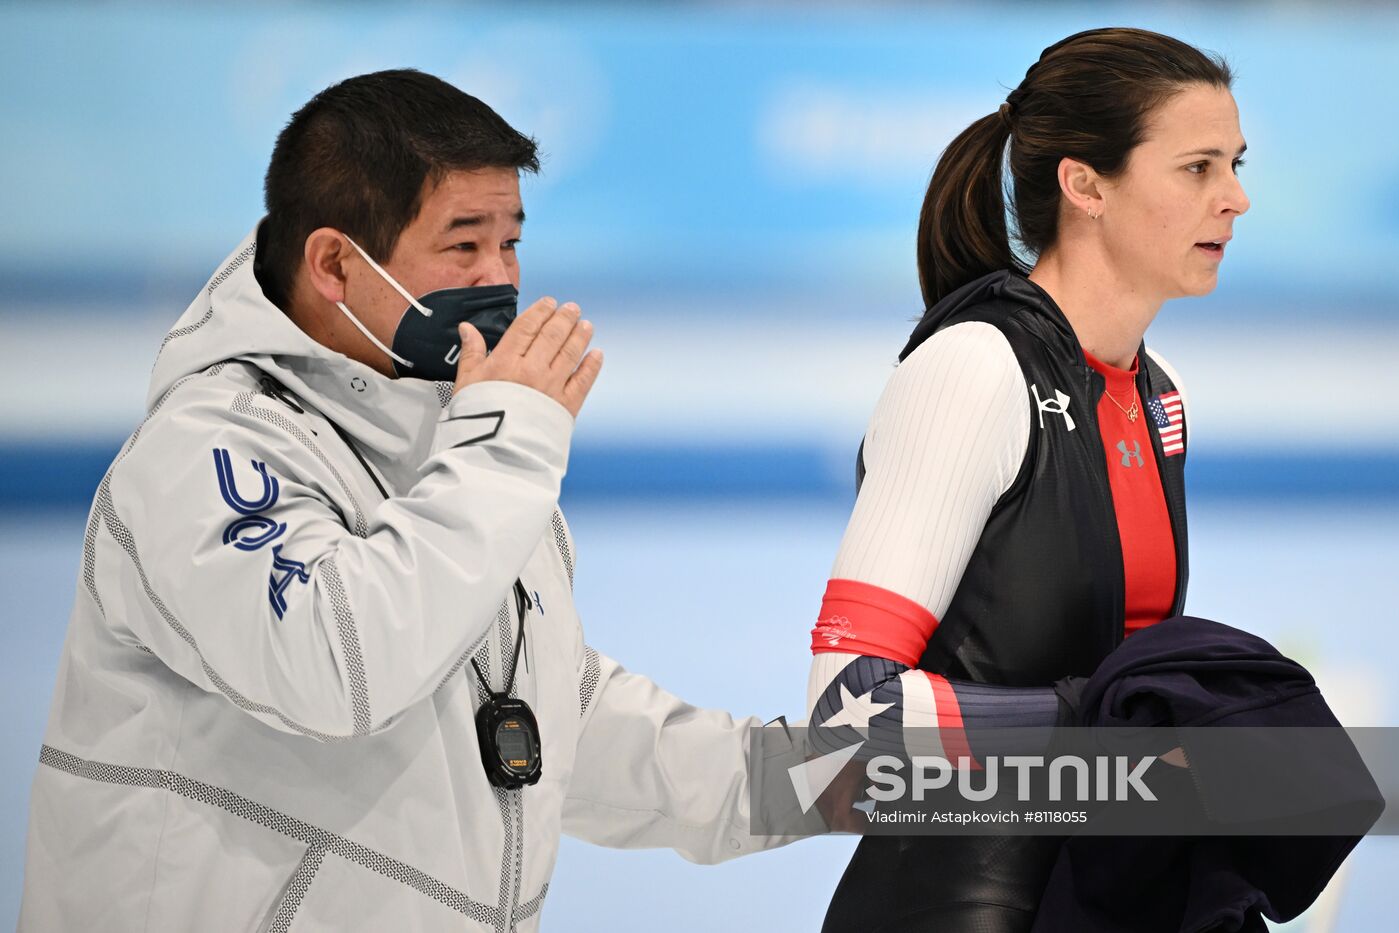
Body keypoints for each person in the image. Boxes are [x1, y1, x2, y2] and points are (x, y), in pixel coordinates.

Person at [20, 69, 796, 932]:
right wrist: (507, 446)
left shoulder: (457, 441)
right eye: (464, 245)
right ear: (334, 264)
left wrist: (808, 777)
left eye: (510, 243)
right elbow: (338, 668)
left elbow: (548, 720)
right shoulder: (203, 452)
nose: (500, 278)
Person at [805, 28, 1249, 932]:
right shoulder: (971, 374)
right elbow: (850, 713)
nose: (1237, 199)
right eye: (1198, 168)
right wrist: (1094, 724)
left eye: (1235, 164)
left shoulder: (1158, 397)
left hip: (1093, 895)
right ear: (1084, 185)